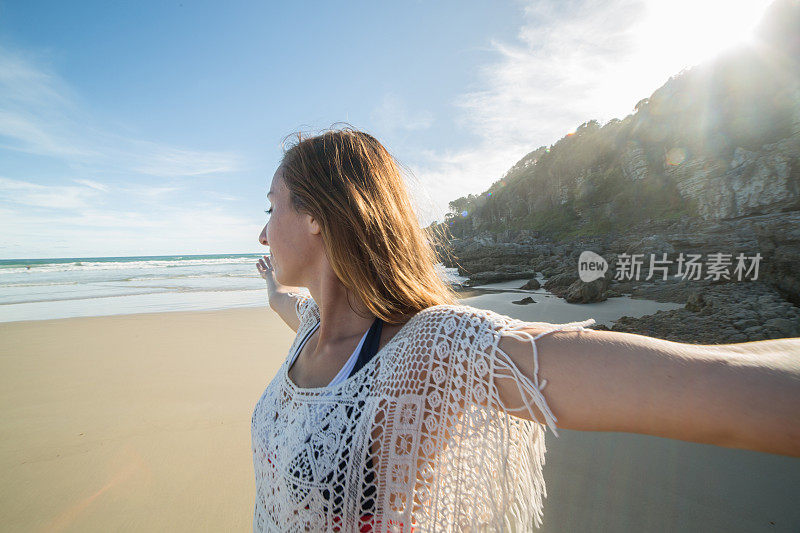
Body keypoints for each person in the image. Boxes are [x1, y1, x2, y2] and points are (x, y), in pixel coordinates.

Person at [252, 127, 800, 532]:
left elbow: (708, 383)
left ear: (315, 216)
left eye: (272, 207)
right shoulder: (312, 330)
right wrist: (274, 290)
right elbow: (288, 304)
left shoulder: (433, 349)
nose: (261, 233)